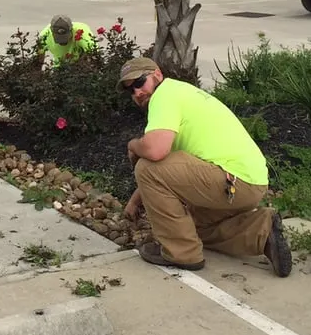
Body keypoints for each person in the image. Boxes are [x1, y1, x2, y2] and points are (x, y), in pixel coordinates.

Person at [117, 57, 292, 277]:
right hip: (250, 183)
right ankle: (262, 230)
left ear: (157, 75)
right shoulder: (181, 93)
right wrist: (135, 201)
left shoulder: (164, 95)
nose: (136, 92)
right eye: (130, 90)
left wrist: (132, 145)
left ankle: (182, 254)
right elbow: (163, 166)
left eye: (139, 82)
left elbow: (154, 153)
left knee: (144, 167)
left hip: (230, 179)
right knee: (189, 227)